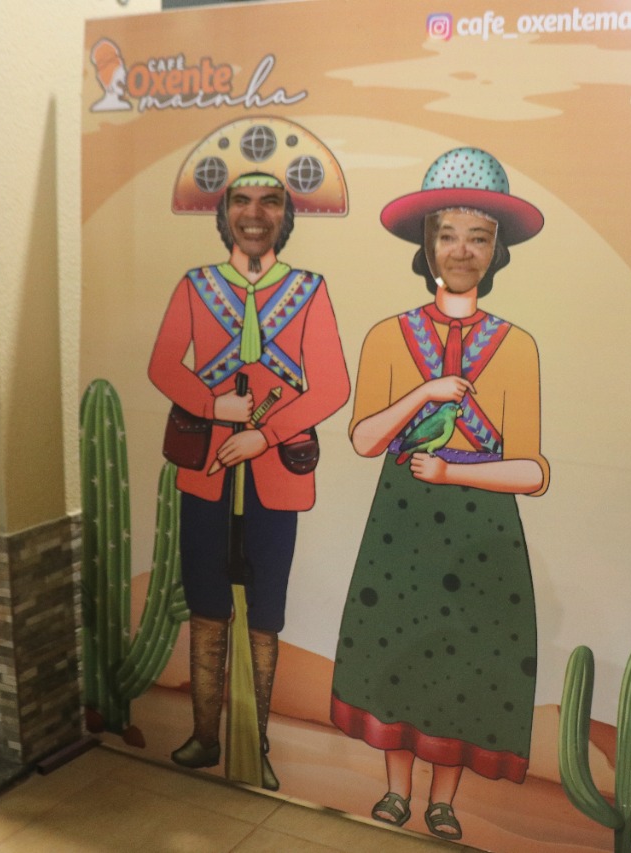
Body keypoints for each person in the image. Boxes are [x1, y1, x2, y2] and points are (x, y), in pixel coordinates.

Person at [329, 148, 549, 842]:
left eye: (478, 238)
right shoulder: (389, 336)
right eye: (447, 235)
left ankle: (443, 801)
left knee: (463, 655)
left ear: (496, 251)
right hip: (403, 523)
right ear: (426, 246)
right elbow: (365, 439)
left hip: (481, 525)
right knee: (400, 644)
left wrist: (454, 473)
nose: (461, 251)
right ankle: (397, 791)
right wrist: (423, 392)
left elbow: (532, 470)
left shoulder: (515, 346)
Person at [149, 171, 349, 790]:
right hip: (207, 474)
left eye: (270, 202)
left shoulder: (308, 291)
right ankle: (206, 737)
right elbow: (163, 365)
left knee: (266, 612)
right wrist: (214, 406)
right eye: (241, 201)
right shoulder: (197, 286)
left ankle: (253, 742)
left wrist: (265, 433)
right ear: (224, 214)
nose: (254, 213)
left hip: (276, 475)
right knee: (207, 604)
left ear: (285, 217)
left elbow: (332, 386)